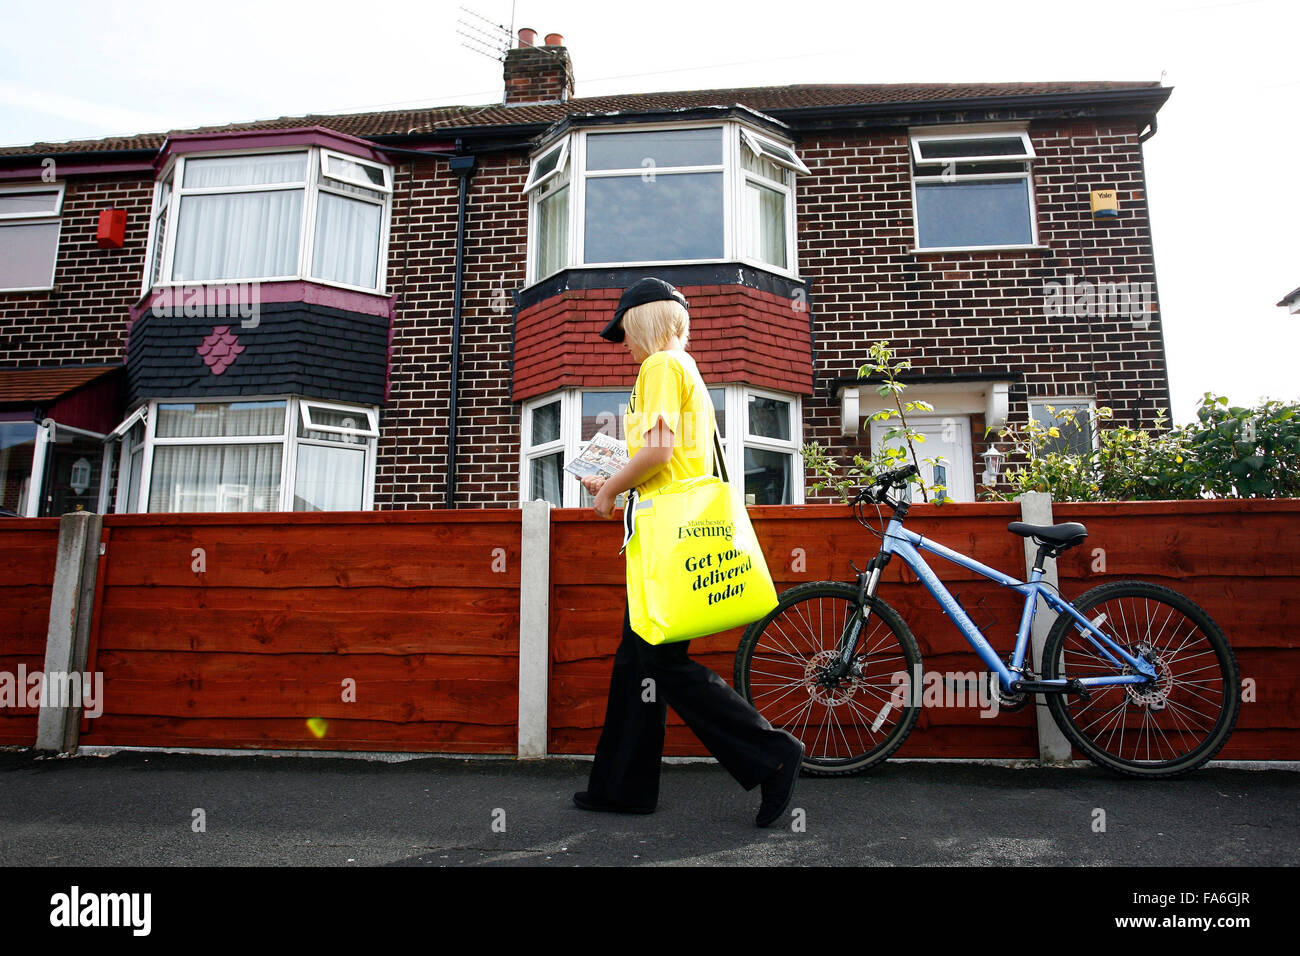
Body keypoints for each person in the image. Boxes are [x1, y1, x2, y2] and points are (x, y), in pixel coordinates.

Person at [572, 277, 803, 828]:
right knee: (638, 664)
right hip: (678, 530)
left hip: (665, 540)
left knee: (657, 662)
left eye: (625, 333)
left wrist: (606, 491)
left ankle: (772, 754)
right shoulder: (687, 368)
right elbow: (670, 459)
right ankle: (621, 788)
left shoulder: (658, 367)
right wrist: (616, 480)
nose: (624, 345)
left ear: (645, 324)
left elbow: (658, 449)